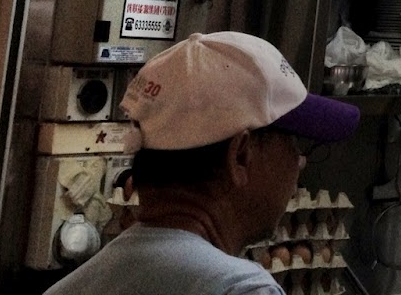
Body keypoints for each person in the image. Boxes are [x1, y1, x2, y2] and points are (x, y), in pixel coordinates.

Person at [47, 31, 361, 295]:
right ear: (240, 155)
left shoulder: (73, 286)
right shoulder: (242, 289)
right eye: (295, 144)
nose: (300, 164)